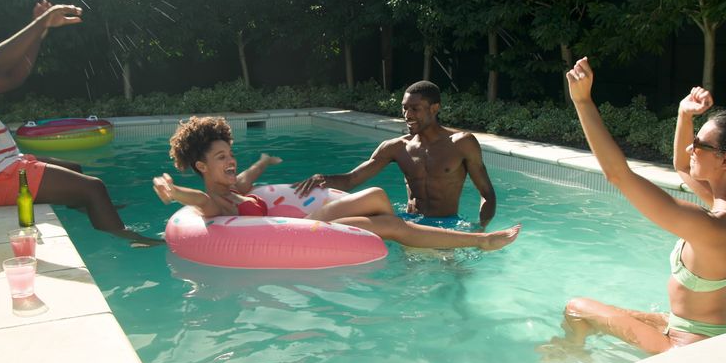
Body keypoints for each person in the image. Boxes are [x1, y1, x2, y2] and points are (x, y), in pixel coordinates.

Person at [544, 57, 726, 354]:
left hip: (686, 347)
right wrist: (685, 115)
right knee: (627, 314)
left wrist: (582, 101)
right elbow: (682, 166)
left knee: (577, 307)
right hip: (719, 330)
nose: (690, 148)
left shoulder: (709, 225)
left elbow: (617, 175)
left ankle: (572, 354)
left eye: (699, 144)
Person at [0, 1, 160, 246]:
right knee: (94, 188)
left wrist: (40, 33)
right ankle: (130, 241)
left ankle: (93, 210)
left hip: (0, 166)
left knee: (75, 169)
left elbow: (12, 77)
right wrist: (39, 23)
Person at [152, 117, 520, 250]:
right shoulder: (213, 202)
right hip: (306, 229)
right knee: (377, 196)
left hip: (315, 224)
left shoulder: (235, 188)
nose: (231, 160)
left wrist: (261, 163)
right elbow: (198, 199)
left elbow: (248, 178)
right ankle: (477, 241)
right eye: (221, 158)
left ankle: (478, 241)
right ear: (201, 165)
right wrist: (173, 192)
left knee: (390, 223)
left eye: (230, 153)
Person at [294, 80, 497, 230]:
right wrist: (322, 179)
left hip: (447, 225)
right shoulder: (396, 147)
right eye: (404, 108)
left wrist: (480, 228)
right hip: (409, 224)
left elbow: (486, 193)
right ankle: (300, 228)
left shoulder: (462, 143)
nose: (407, 115)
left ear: (434, 108)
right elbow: (352, 180)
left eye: (415, 109)